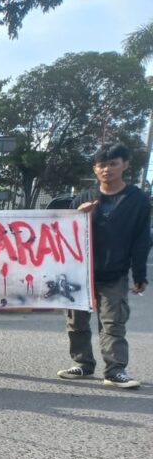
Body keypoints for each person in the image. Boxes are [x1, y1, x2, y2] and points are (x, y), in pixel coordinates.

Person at [56, 143, 150, 389]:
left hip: (114, 273)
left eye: (113, 164)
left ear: (125, 165)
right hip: (79, 273)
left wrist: (140, 273)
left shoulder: (138, 200)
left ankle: (115, 370)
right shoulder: (83, 198)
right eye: (102, 165)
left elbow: (141, 239)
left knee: (113, 323)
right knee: (76, 322)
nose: (107, 169)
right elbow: (64, 235)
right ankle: (83, 364)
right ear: (95, 168)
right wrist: (79, 214)